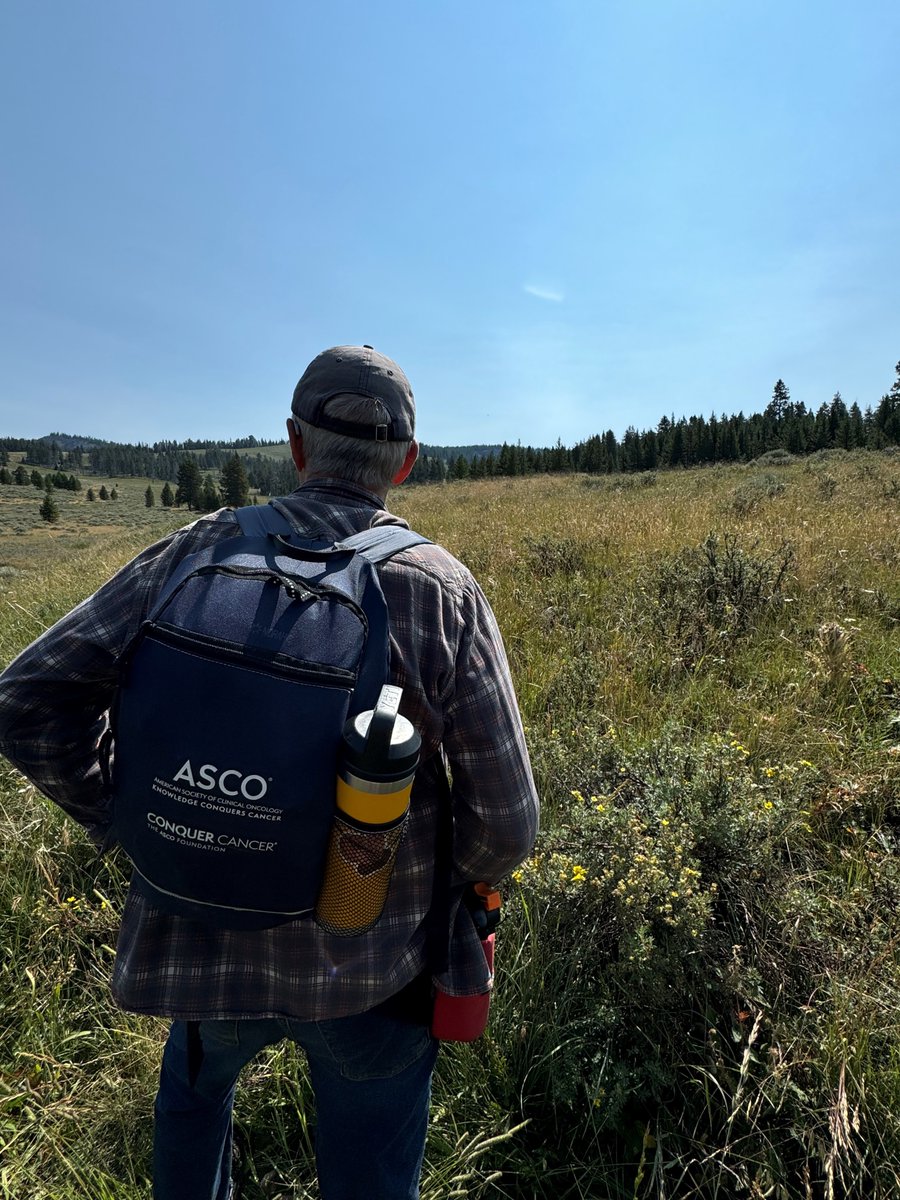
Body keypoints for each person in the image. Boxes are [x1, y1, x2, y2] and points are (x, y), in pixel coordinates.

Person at [0, 345, 539, 1200]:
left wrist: (126, 818)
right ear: (405, 462)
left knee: (192, 1102)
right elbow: (509, 821)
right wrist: (443, 878)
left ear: (294, 444)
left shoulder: (192, 548)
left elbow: (25, 699)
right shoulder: (441, 589)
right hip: (369, 964)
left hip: (202, 933)